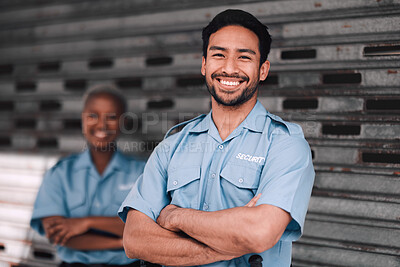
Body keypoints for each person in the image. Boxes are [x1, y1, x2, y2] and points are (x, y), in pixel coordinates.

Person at [119, 9, 315, 267]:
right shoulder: (172, 146)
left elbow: (259, 233)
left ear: (263, 69)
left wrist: (176, 217)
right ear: (204, 64)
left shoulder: (285, 145)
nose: (229, 68)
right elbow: (135, 241)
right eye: (219, 55)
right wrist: (230, 243)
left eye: (244, 57)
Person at [30, 84, 148, 267]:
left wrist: (85, 223)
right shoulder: (60, 174)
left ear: (123, 122)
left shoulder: (142, 172)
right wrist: (121, 242)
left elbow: (147, 229)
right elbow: (58, 235)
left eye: (111, 117)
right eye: (93, 116)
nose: (101, 125)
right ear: (83, 119)